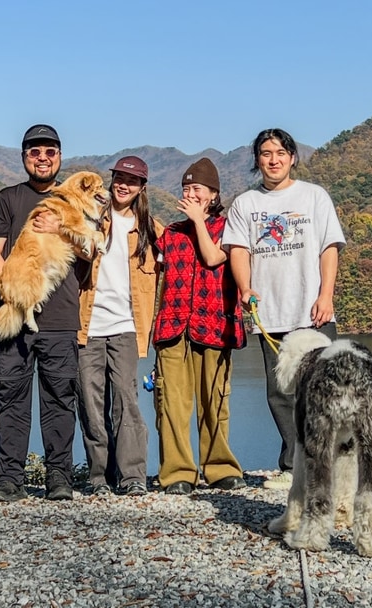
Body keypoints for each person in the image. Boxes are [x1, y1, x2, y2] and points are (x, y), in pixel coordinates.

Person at [222, 128, 346, 489]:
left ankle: (329, 464)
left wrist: (327, 295)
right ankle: (294, 468)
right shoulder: (246, 204)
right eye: (265, 153)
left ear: (292, 157)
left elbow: (329, 248)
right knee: (280, 393)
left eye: (280, 152)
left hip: (312, 312)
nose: (273, 159)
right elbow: (239, 250)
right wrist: (245, 288)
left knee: (324, 388)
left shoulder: (313, 196)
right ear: (257, 160)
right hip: (270, 313)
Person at [0, 124, 84, 502]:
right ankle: (10, 479)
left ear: (59, 156)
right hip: (13, 313)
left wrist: (62, 226)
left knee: (60, 398)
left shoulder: (74, 201)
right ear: (24, 157)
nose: (42, 158)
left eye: (50, 151)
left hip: (59, 318)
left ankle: (59, 478)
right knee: (11, 397)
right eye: (34, 151)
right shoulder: (7, 199)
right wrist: (10, 283)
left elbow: (91, 252)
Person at [152, 158, 246, 495]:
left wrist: (198, 222)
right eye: (186, 188)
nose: (190, 194)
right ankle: (177, 472)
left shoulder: (229, 229)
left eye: (197, 189)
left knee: (215, 400)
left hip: (214, 324)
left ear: (213, 195)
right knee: (172, 404)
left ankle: (219, 468)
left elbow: (212, 257)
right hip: (172, 326)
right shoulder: (172, 234)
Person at [76, 155, 163, 496]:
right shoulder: (90, 219)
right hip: (88, 325)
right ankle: (99, 477)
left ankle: (133, 477)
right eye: (119, 178)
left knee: (127, 400)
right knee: (91, 403)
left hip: (127, 326)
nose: (124, 185)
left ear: (142, 187)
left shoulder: (151, 229)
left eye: (132, 180)